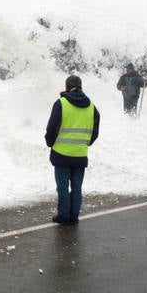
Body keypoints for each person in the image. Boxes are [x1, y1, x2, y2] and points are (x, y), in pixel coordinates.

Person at [44, 74, 100, 225]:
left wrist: (50, 142)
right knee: (77, 187)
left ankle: (63, 216)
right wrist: (86, 143)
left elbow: (52, 128)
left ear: (67, 87)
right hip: (80, 155)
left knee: (62, 187)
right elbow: (95, 129)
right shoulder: (91, 106)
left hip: (62, 154)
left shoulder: (61, 103)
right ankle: (74, 216)